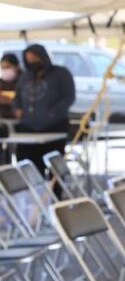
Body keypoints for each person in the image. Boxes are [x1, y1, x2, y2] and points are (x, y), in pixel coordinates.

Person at [11, 45, 75, 182]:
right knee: (29, 165)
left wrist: (53, 113)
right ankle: (35, 199)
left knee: (55, 169)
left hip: (54, 127)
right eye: (29, 59)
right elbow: (17, 97)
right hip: (28, 128)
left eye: (35, 58)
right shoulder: (25, 77)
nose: (32, 62)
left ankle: (57, 196)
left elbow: (69, 97)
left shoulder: (61, 74)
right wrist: (18, 109)